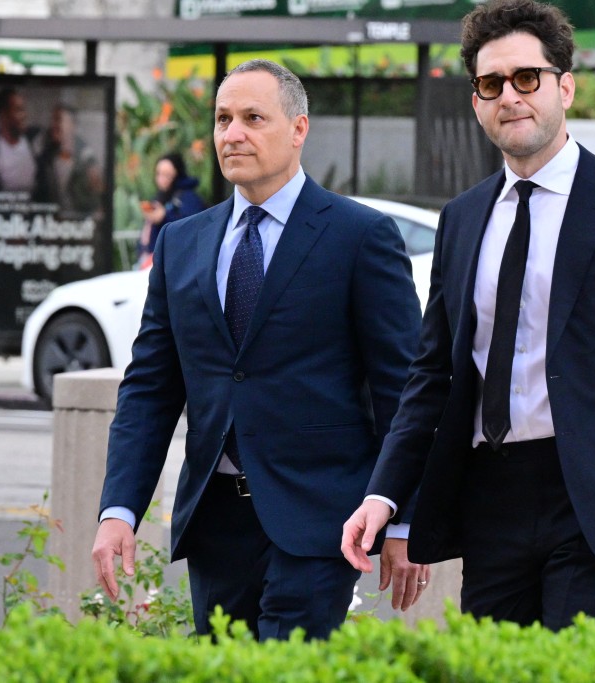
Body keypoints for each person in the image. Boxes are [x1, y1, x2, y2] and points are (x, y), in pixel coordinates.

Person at [341, 0, 595, 631]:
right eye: (491, 84)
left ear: (565, 86)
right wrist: (384, 493)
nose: (509, 96)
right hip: (491, 499)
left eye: (527, 78)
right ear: (478, 101)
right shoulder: (461, 219)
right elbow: (432, 376)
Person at [92, 59, 424, 640]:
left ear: (298, 129)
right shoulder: (181, 243)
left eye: (252, 117)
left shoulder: (359, 236)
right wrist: (119, 509)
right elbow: (150, 387)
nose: (232, 133)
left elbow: (404, 389)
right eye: (223, 119)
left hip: (321, 518)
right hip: (214, 521)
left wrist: (404, 514)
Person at [34, 103, 106, 219]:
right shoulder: (45, 159)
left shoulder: (87, 160)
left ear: (72, 125)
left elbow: (99, 202)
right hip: (52, 227)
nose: (53, 125)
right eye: (52, 120)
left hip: (81, 227)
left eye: (58, 119)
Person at [137, 152, 207, 268]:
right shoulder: (160, 197)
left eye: (167, 175)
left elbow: (192, 228)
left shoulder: (188, 197)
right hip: (154, 262)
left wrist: (165, 217)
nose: (161, 179)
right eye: (159, 174)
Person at [0, 87, 40, 195]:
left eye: (23, 109)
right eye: (18, 110)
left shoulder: (36, 140)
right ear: (3, 115)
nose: (24, 116)